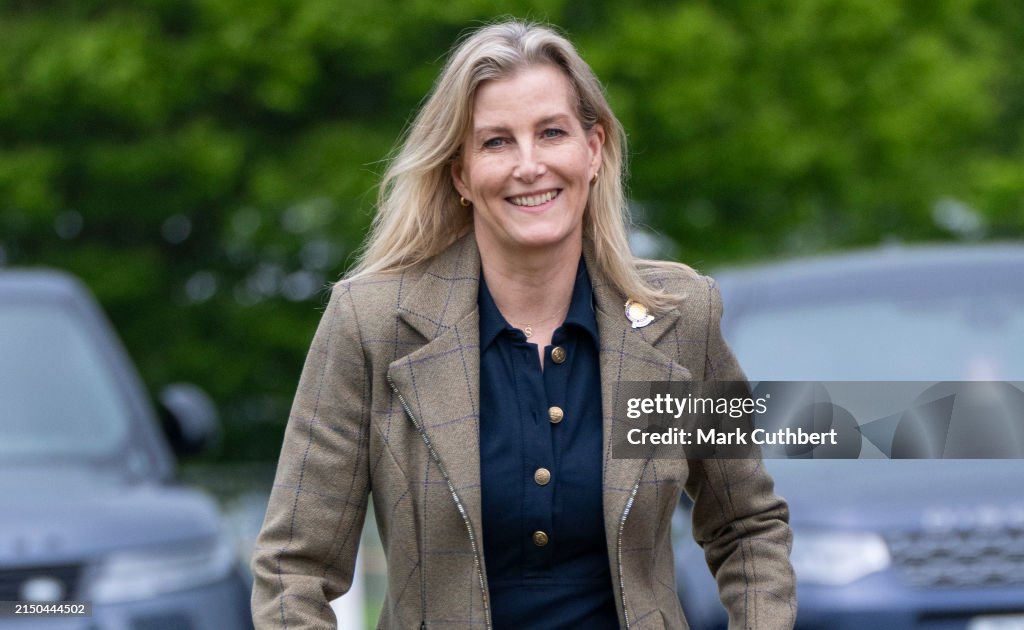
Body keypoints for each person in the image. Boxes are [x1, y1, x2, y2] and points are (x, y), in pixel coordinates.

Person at [251, 20, 796, 629]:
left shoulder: (677, 319)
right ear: (460, 173)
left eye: (552, 133)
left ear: (593, 151)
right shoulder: (372, 324)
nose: (529, 165)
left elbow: (747, 527)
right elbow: (293, 571)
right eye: (497, 142)